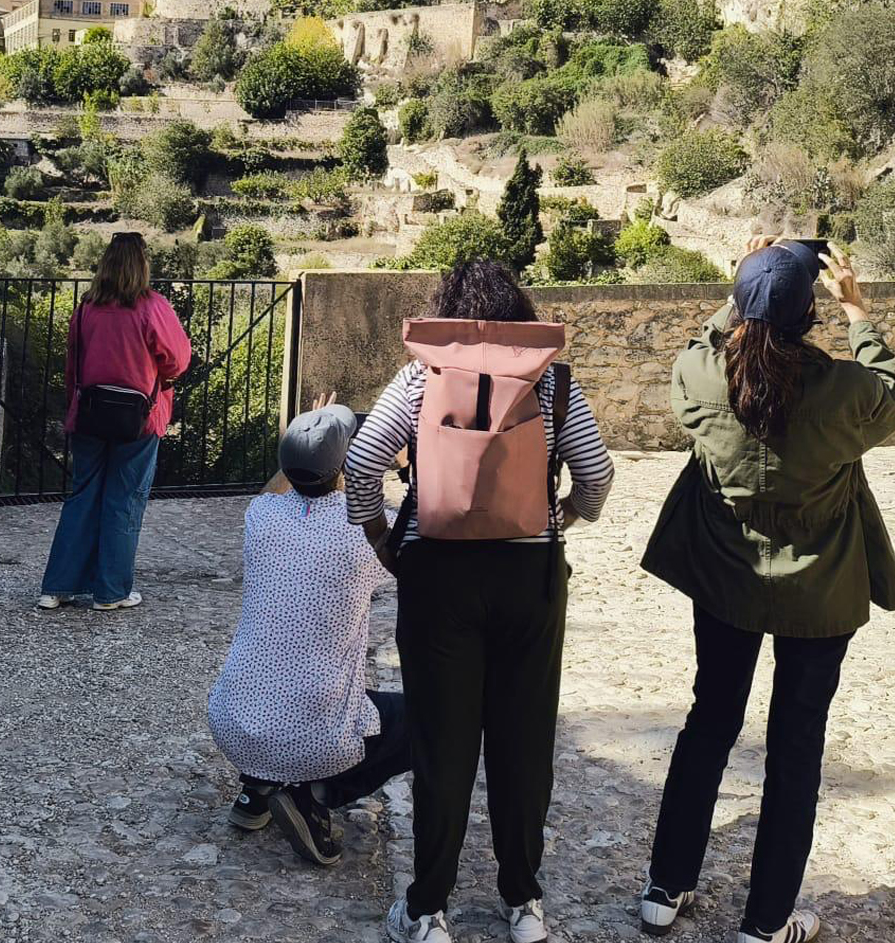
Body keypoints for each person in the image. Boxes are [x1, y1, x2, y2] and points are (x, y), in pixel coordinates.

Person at [342, 256, 614, 943]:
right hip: (529, 578)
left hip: (438, 577)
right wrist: (563, 517)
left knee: (442, 745)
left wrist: (380, 538)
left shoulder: (421, 375)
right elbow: (597, 471)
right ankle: (522, 904)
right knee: (522, 745)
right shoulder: (550, 382)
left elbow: (361, 460)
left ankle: (427, 908)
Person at [636, 239, 895, 943]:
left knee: (708, 723)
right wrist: (859, 313)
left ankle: (664, 889)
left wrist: (742, 289)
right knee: (796, 748)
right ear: (809, 316)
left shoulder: (699, 376)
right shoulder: (846, 393)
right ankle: (765, 921)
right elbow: (890, 391)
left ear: (742, 311)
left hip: (724, 581)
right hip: (819, 593)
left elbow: (700, 342)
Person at [208, 395, 410, 867]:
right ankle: (312, 793)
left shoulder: (260, 517)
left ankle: (257, 791)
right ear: (350, 464)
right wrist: (402, 465)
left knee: (275, 683)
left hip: (234, 722)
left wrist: (302, 440)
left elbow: (279, 488)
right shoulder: (368, 531)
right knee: (423, 721)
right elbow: (425, 528)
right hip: (310, 734)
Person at [35, 232, 192, 613]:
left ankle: (57, 587)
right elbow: (178, 358)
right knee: (124, 499)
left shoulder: (87, 307)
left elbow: (73, 361)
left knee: (82, 496)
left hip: (89, 412)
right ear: (143, 264)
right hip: (138, 418)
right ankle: (111, 591)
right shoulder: (151, 306)